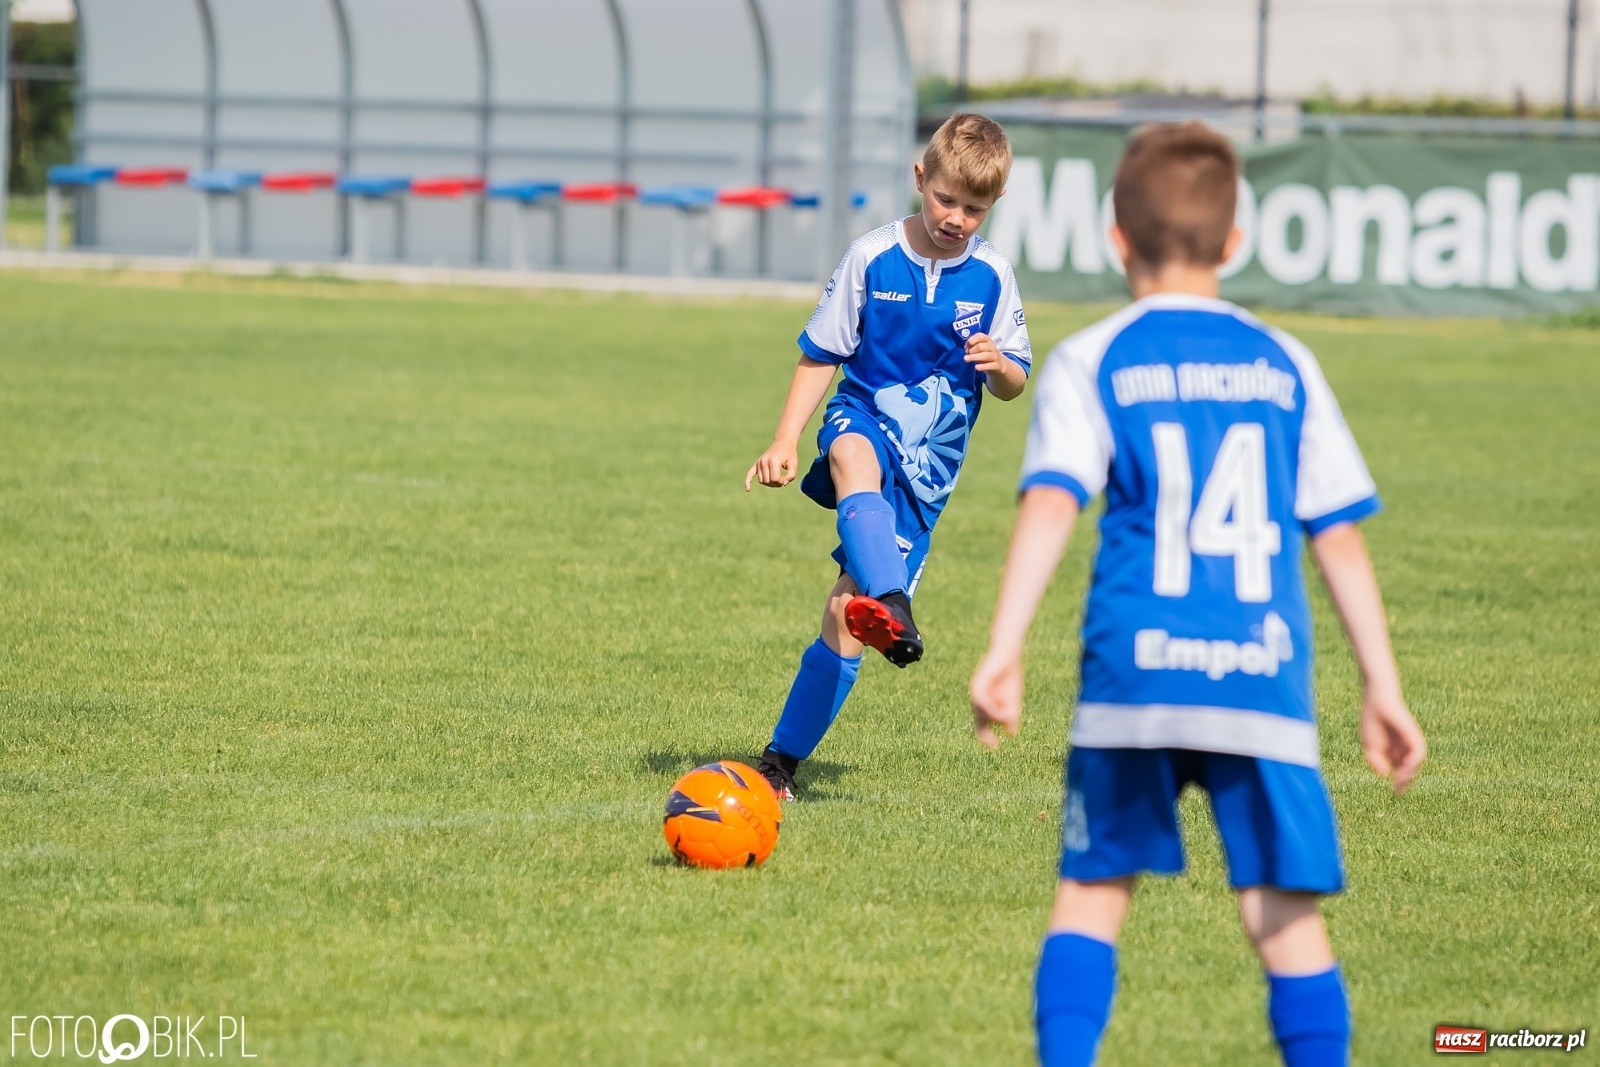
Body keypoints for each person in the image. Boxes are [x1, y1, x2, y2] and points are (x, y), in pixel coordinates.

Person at [967, 122, 1427, 1067]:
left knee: (1092, 898)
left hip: (1134, 674)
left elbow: (1053, 505)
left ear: (1115, 239)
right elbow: (1335, 534)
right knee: (1283, 918)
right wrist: (1382, 685)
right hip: (1259, 677)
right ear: (1234, 243)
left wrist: (1004, 646)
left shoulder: (1094, 357)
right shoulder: (1286, 363)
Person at [744, 113, 1033, 801]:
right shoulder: (872, 257)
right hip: (864, 411)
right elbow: (822, 353)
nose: (956, 217)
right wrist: (785, 438)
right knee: (848, 451)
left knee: (844, 618)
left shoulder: (993, 275)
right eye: (946, 199)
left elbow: (1016, 381)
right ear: (920, 179)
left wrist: (1000, 366)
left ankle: (781, 761)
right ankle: (894, 597)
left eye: (974, 207)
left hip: (926, 474)